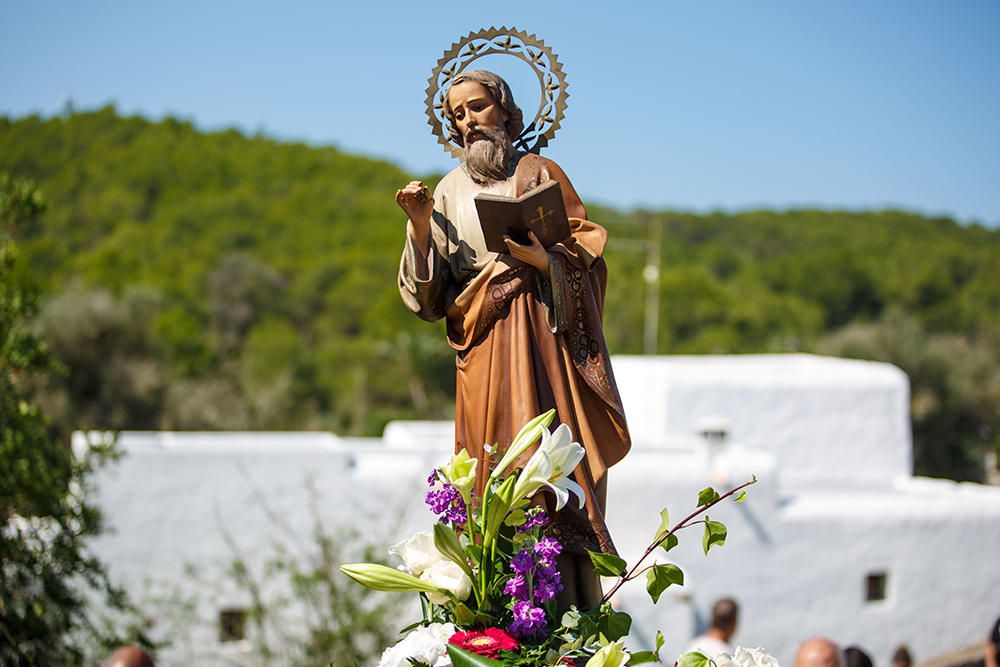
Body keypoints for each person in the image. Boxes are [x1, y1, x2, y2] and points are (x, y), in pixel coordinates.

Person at [396, 69, 631, 609]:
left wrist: (543, 261)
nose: (468, 122)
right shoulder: (449, 190)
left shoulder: (538, 172)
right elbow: (430, 302)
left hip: (543, 342)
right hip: (481, 345)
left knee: (544, 469)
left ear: (503, 110)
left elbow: (584, 255)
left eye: (476, 107)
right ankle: (494, 612)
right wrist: (417, 224)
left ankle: (559, 610)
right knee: (487, 473)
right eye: (456, 115)